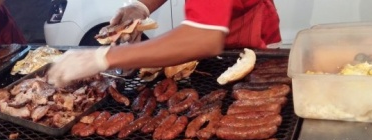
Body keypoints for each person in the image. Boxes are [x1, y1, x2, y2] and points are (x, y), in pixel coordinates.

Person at [47, 0, 281, 87]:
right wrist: (141, 6)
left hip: (242, 33)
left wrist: (103, 58)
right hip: (214, 33)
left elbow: (204, 38)